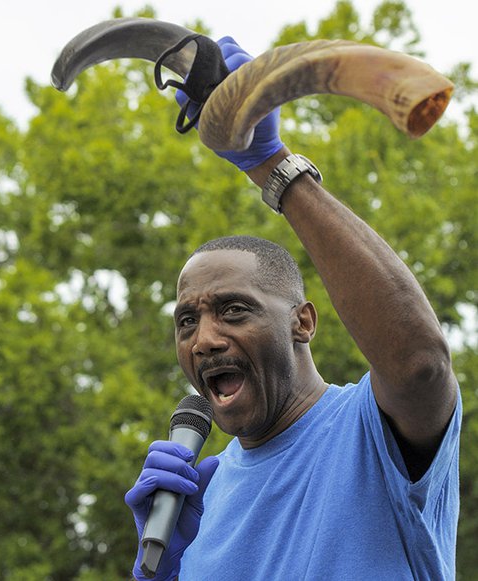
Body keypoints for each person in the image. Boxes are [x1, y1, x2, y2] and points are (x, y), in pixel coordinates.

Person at [124, 37, 461, 581]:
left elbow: (420, 364)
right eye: (187, 320)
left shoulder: (370, 431)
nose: (204, 338)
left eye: (233, 310)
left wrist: (272, 166)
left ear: (302, 321)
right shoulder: (200, 500)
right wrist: (159, 572)